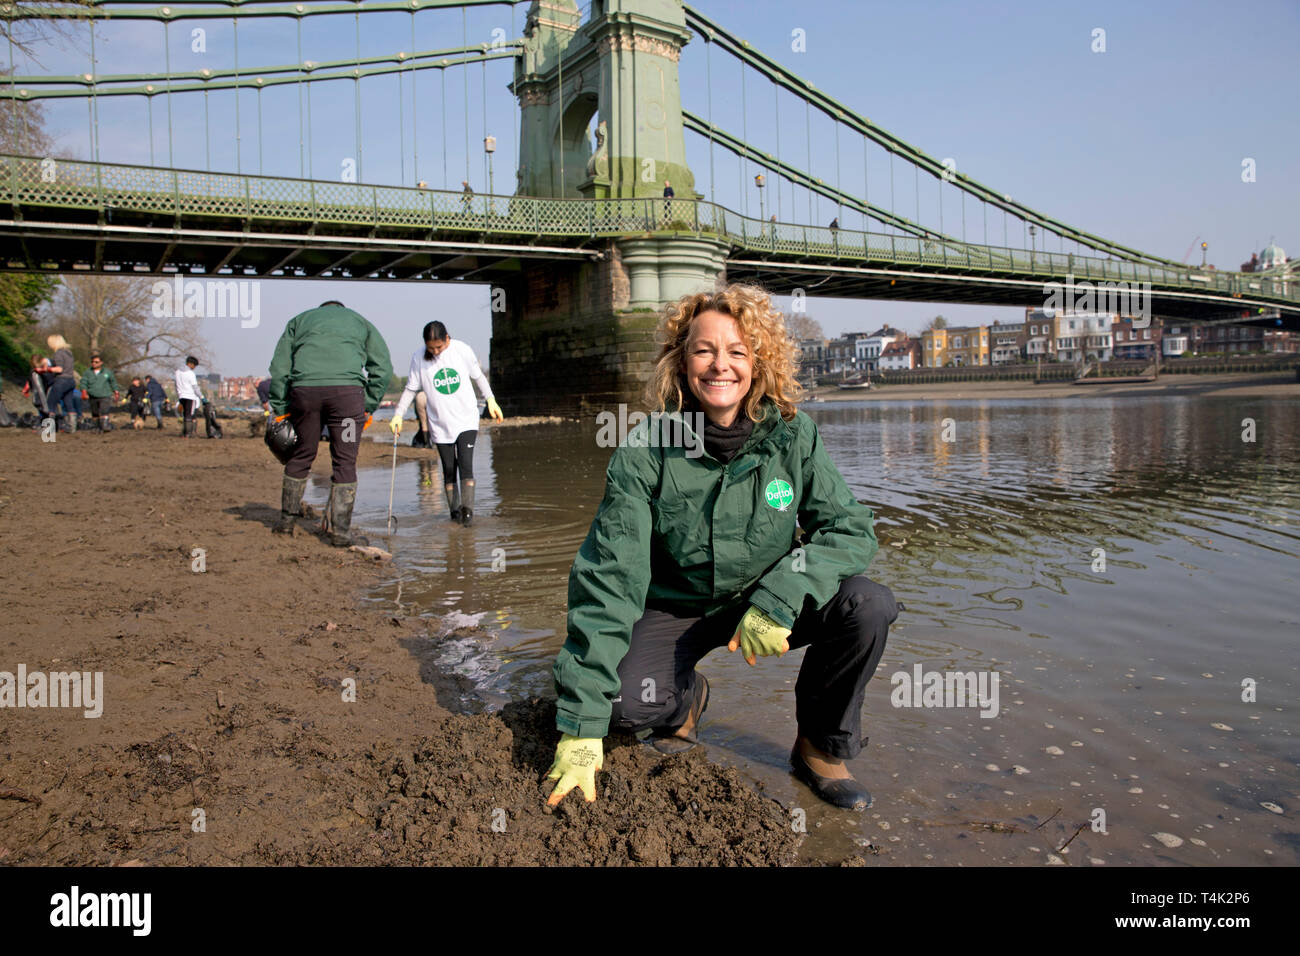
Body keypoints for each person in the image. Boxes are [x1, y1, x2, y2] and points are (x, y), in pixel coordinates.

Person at [544, 283, 899, 812]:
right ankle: (685, 699)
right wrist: (579, 726)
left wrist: (781, 597)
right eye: (704, 350)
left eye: (737, 351)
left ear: (759, 362)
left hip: (764, 602)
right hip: (676, 607)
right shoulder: (645, 449)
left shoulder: (795, 437)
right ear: (681, 361)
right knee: (623, 707)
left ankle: (819, 749)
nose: (719, 366)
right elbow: (610, 581)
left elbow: (849, 531)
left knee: (867, 606)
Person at [268, 299, 393, 546]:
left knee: (301, 456)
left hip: (306, 395)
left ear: (321, 310)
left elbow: (280, 368)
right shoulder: (360, 322)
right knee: (345, 461)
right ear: (342, 309)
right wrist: (367, 406)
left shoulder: (299, 320)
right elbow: (383, 369)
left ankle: (286, 524)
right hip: (346, 400)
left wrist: (281, 408)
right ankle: (341, 534)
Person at [389, 321, 502, 526]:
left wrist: (491, 400)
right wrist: (398, 414)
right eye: (431, 348)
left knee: (465, 465)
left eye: (439, 347)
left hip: (466, 419)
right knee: (449, 469)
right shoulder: (418, 357)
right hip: (440, 424)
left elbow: (479, 378)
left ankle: (467, 517)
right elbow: (410, 389)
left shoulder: (462, 350)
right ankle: (454, 514)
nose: (436, 351)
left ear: (448, 339)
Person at [44, 334, 79, 433]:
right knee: (69, 404)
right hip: (71, 381)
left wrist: (47, 369)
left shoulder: (58, 353)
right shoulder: (69, 353)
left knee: (51, 403)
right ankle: (72, 428)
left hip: (61, 381)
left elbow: (59, 369)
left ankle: (48, 429)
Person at [81, 353, 121, 432]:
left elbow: (113, 382)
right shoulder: (88, 372)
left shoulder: (107, 372)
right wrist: (84, 392)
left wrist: (116, 392)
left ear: (101, 363)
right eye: (92, 362)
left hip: (105, 395)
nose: (94, 363)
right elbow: (84, 382)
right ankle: (95, 427)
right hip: (92, 395)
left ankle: (105, 426)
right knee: (95, 412)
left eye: (96, 362)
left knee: (104, 411)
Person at [174, 356, 204, 438]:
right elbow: (195, 387)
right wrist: (202, 397)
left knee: (185, 414)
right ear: (190, 364)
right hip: (190, 396)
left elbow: (176, 384)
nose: (194, 368)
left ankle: (184, 433)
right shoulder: (191, 373)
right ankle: (189, 433)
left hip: (181, 396)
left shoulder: (177, 372)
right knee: (190, 415)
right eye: (194, 366)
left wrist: (178, 393)